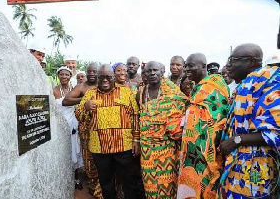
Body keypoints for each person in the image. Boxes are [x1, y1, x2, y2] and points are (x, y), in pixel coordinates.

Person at [219, 43, 280, 198]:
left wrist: (236, 140)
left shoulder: (271, 83)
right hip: (237, 162)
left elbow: (276, 132)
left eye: (233, 60)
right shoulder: (246, 85)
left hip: (258, 168)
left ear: (252, 62)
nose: (228, 65)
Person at [75, 64, 140, 199]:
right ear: (97, 77)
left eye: (108, 77)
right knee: (106, 183)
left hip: (124, 146)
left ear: (113, 77)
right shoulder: (90, 93)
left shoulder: (126, 92)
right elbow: (79, 116)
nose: (105, 80)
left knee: (128, 181)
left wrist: (136, 140)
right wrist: (86, 107)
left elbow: (135, 116)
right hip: (100, 148)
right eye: (101, 77)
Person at [178, 53, 230, 199]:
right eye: (186, 65)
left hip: (208, 152)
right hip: (192, 151)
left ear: (204, 67)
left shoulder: (215, 87)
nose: (187, 68)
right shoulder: (198, 88)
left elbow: (219, 119)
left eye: (191, 65)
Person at [136, 61, 187, 199]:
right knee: (149, 183)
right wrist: (137, 140)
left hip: (166, 146)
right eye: (149, 71)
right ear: (144, 74)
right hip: (146, 147)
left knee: (168, 182)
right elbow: (137, 116)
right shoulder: (141, 92)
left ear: (162, 72)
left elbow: (181, 115)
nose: (152, 73)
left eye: (155, 70)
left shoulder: (173, 91)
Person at [62, 62, 101, 197]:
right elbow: (65, 100)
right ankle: (92, 184)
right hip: (86, 129)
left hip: (102, 129)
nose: (91, 74)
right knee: (89, 157)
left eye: (94, 71)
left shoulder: (104, 85)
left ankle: (103, 184)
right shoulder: (81, 87)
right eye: (89, 71)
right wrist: (84, 100)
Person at [53, 66, 84, 190]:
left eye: (67, 75)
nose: (64, 77)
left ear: (70, 76)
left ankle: (76, 178)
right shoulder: (54, 90)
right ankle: (63, 177)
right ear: (58, 76)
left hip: (74, 124)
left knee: (75, 149)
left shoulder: (75, 89)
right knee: (62, 151)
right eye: (62, 74)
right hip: (59, 124)